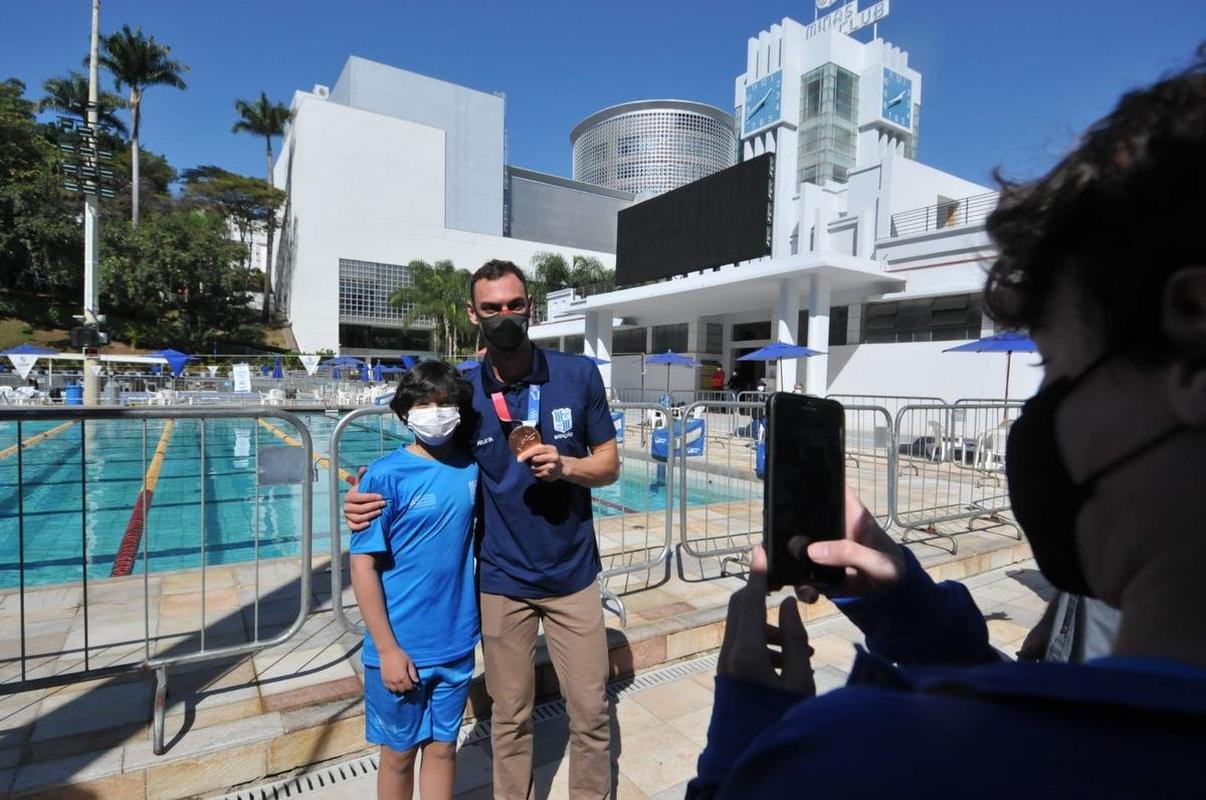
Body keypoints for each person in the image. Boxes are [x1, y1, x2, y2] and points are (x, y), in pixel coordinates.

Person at [688, 51, 1206, 798]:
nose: (1041, 419)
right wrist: (912, 613)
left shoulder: (861, 758)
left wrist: (751, 731)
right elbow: (1057, 740)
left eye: (1057, 370)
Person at [346, 260, 621, 800]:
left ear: (530, 308)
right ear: (473, 315)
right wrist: (364, 497)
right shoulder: (462, 391)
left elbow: (610, 465)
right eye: (491, 308)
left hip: (572, 575)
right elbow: (421, 456)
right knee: (510, 718)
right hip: (500, 583)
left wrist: (566, 466)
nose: (504, 317)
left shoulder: (577, 374)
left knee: (590, 714)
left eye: (514, 305)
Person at [348, 361, 480, 800]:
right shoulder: (385, 475)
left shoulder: (469, 467)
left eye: (444, 402)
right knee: (399, 755)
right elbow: (363, 565)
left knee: (443, 750)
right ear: (406, 412)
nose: (435, 411)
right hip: (401, 645)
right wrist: (386, 648)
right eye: (425, 403)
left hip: (456, 639)